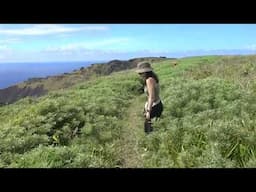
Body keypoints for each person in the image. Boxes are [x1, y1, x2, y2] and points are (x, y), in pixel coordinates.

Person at [136, 61, 163, 134]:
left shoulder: (149, 80)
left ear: (145, 72)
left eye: (140, 73)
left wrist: (148, 111)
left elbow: (151, 97)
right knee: (155, 128)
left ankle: (152, 144)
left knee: (149, 130)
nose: (139, 75)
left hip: (154, 107)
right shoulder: (153, 78)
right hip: (157, 104)